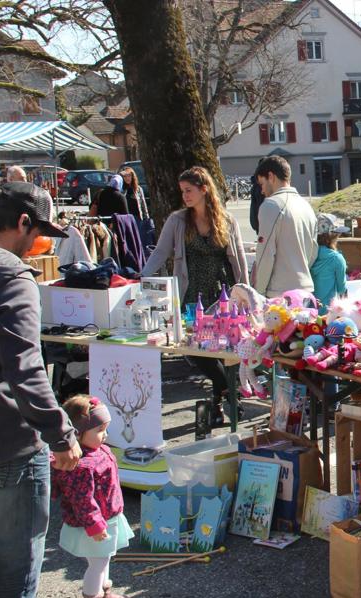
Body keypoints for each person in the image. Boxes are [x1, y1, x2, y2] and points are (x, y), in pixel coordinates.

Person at [0, 181, 82, 598]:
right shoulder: (12, 278)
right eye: (38, 233)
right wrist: (60, 433)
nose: (39, 244)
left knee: (7, 557)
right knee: (15, 565)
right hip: (11, 442)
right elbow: (25, 368)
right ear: (23, 222)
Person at [142, 167, 249, 426]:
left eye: (189, 191)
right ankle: (228, 391)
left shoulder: (226, 220)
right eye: (182, 192)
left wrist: (245, 289)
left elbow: (239, 258)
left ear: (204, 189)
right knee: (197, 350)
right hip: (193, 294)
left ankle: (219, 407)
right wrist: (142, 277)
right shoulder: (178, 220)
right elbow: (160, 252)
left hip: (222, 293)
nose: (185, 196)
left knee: (223, 350)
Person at [52, 395, 132, 598]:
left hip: (106, 517)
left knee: (103, 559)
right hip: (94, 523)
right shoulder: (81, 465)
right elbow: (82, 500)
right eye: (99, 430)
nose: (105, 435)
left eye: (105, 429)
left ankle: (104, 592)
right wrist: (94, 525)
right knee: (98, 563)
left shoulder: (100, 450)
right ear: (77, 434)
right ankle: (92, 595)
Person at [252, 155, 318, 296]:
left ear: (271, 176)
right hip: (306, 290)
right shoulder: (306, 206)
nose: (262, 191)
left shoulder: (271, 205)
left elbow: (265, 254)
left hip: (280, 293)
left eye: (261, 184)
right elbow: (313, 251)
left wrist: (258, 293)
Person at [310, 213, 349, 312]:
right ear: (333, 236)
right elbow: (342, 289)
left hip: (307, 311)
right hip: (327, 313)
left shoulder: (307, 255)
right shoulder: (337, 259)